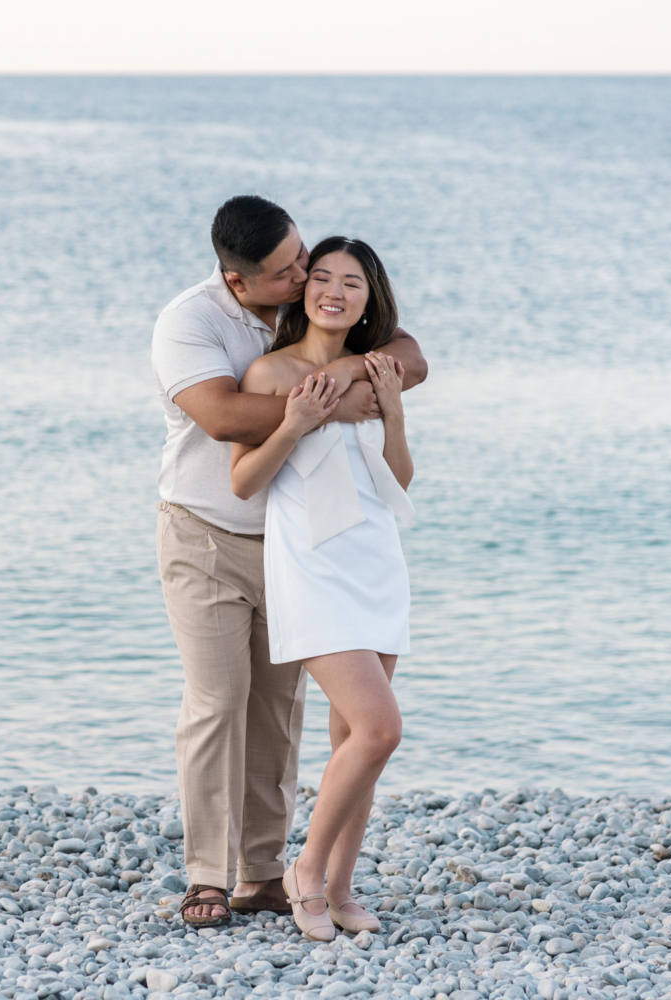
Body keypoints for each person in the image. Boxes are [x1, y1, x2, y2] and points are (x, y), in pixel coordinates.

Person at [151, 197, 427, 926]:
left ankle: (276, 876)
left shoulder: (317, 311)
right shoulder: (193, 324)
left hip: (338, 553)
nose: (310, 277)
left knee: (285, 715)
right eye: (295, 271)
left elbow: (411, 360)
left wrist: (382, 397)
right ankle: (211, 875)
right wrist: (326, 404)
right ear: (242, 283)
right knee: (219, 703)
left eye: (310, 260)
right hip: (211, 534)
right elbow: (224, 420)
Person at [228, 236, 413, 941]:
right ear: (303, 290)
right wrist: (294, 423)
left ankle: (338, 888)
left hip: (377, 561)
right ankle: (305, 871)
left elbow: (399, 481)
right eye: (324, 277)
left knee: (350, 737)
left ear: (371, 299)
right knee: (380, 728)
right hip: (311, 566)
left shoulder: (373, 371)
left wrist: (394, 413)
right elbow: (245, 481)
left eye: (353, 283)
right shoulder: (270, 374)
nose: (335, 290)